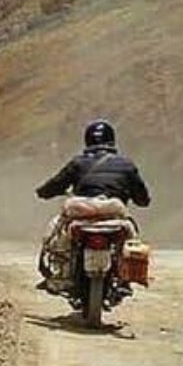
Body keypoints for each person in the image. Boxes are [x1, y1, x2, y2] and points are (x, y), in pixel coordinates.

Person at [35, 120, 150, 291]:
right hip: (113, 208)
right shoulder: (126, 164)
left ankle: (60, 277)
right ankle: (124, 278)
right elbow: (143, 199)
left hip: (81, 208)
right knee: (129, 236)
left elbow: (56, 184)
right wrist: (137, 199)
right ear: (112, 140)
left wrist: (43, 192)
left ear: (87, 140)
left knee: (57, 232)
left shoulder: (78, 163)